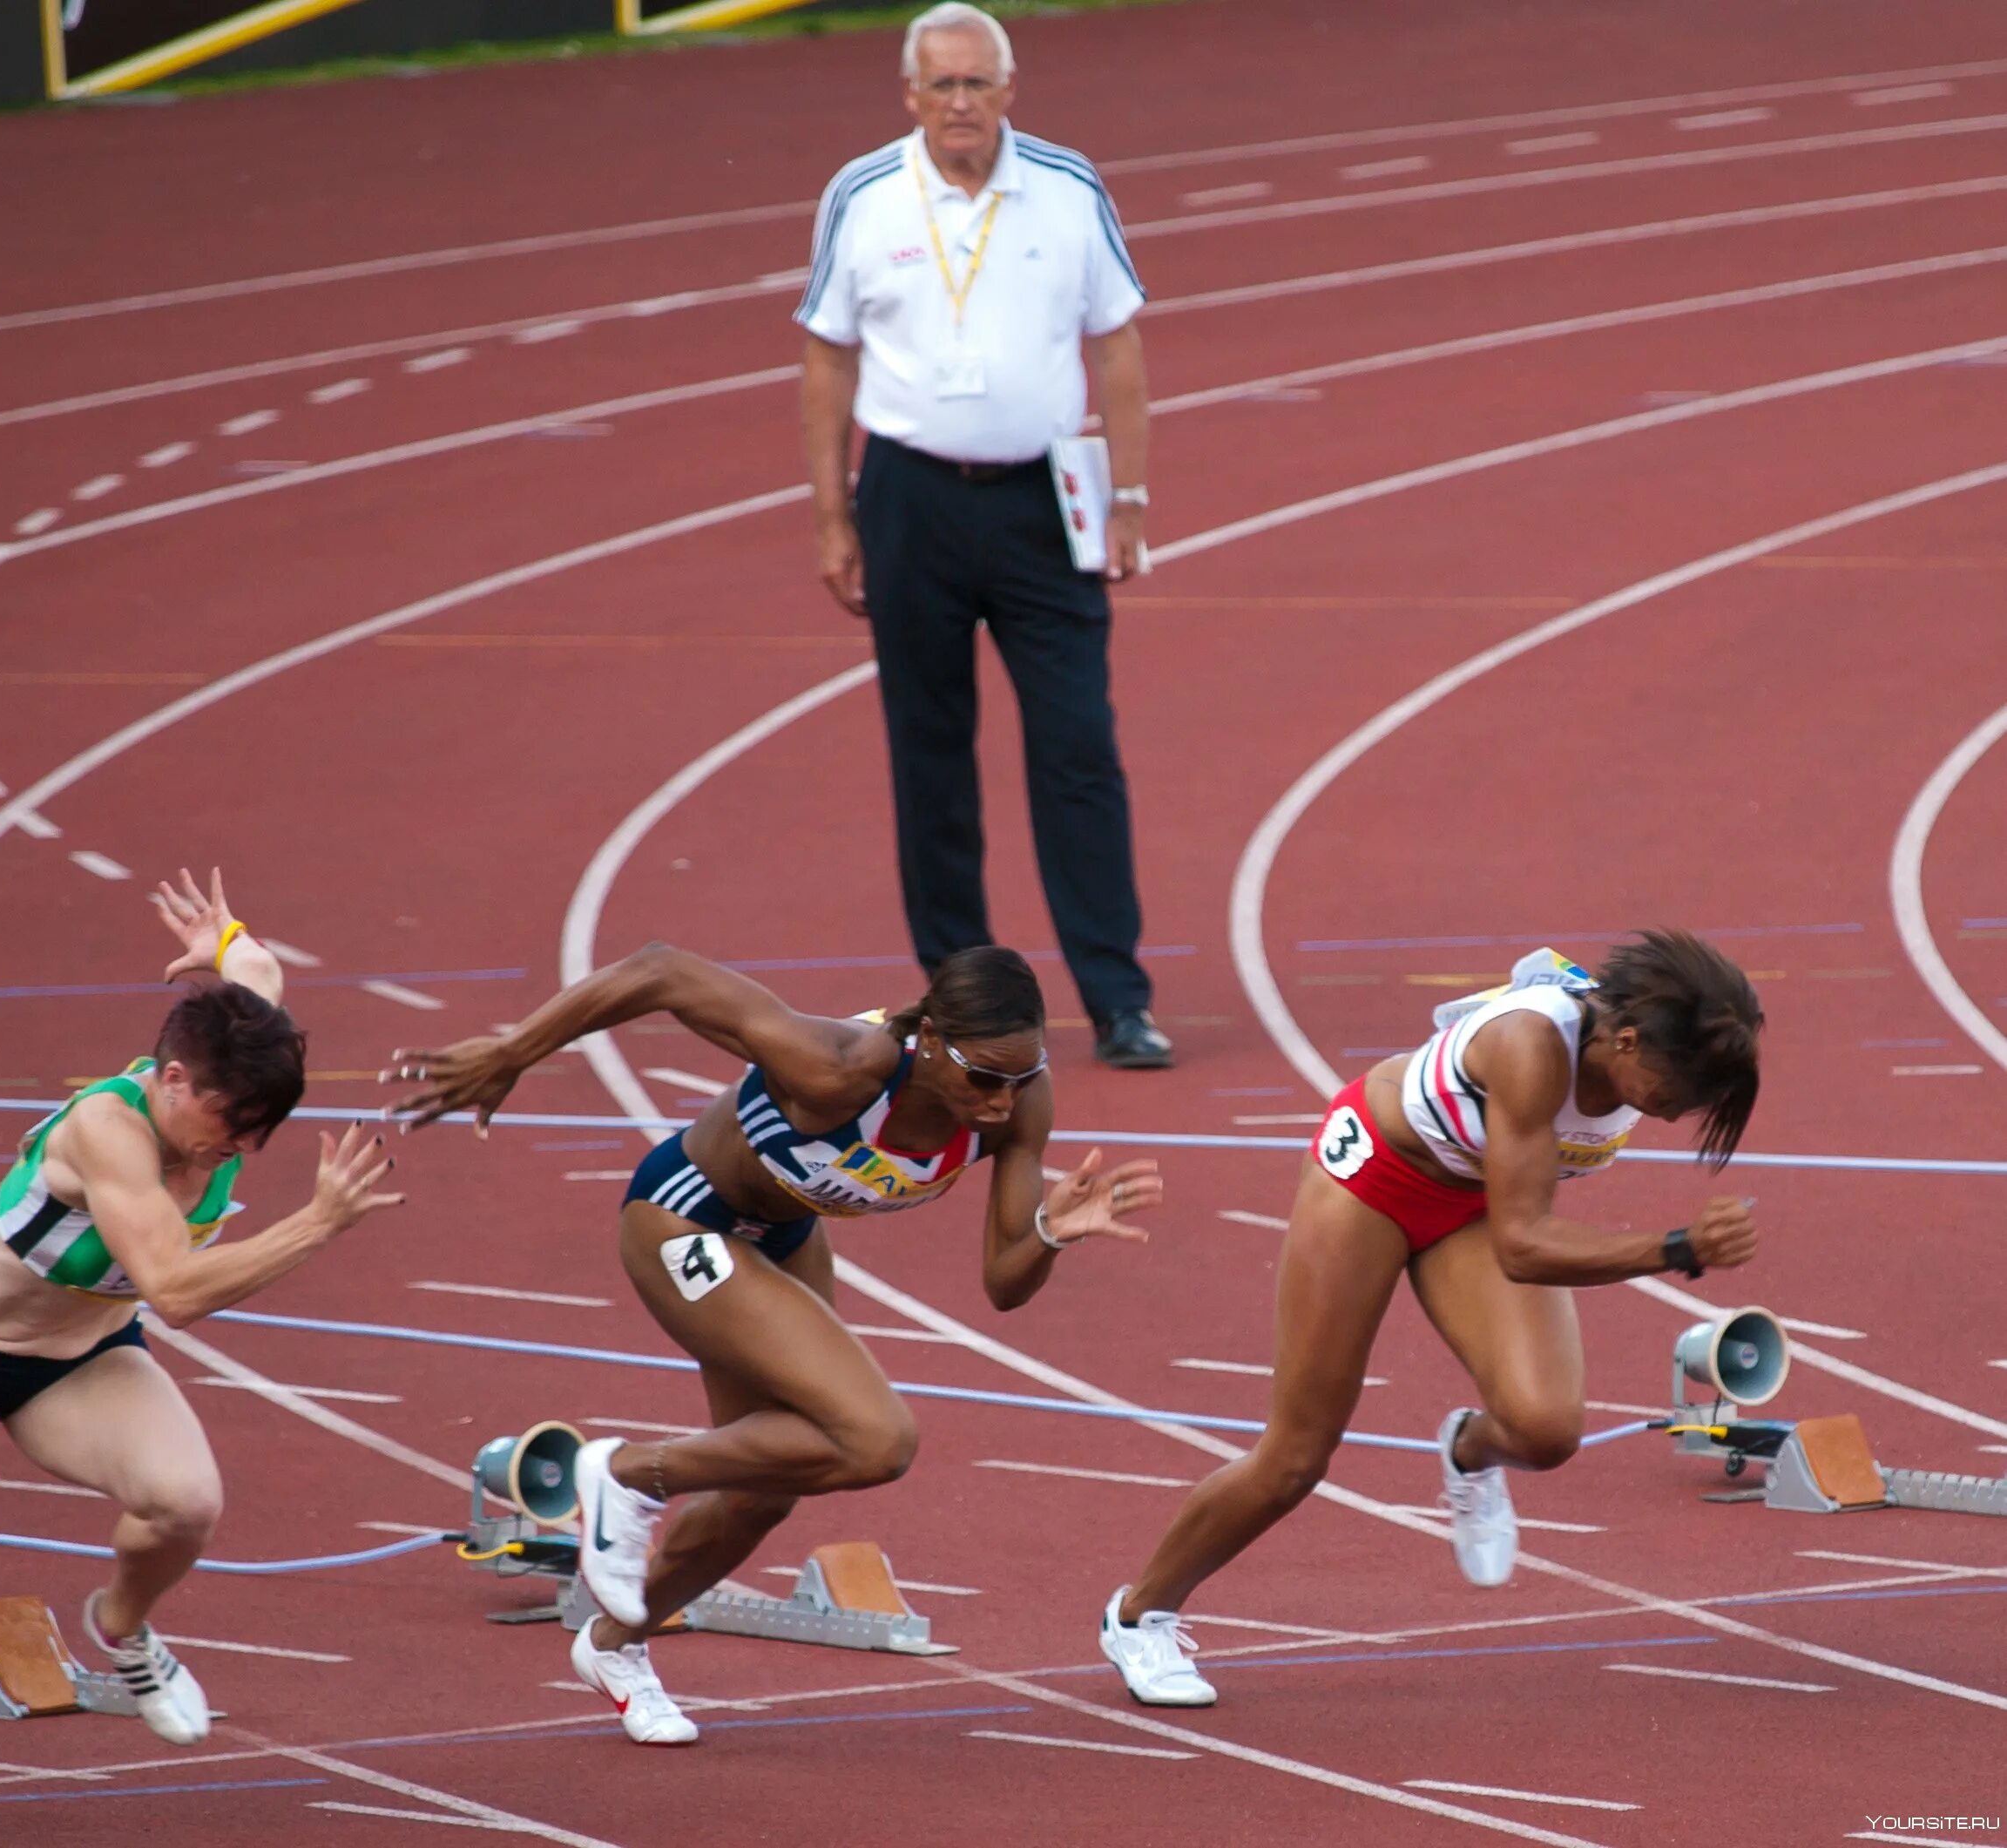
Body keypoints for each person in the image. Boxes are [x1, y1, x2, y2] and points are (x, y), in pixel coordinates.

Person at [0, 871, 401, 1839]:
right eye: (232, 1127)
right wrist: (318, 1222)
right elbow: (177, 1292)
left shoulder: (235, 1060)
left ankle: (124, 1626)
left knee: (186, 1504)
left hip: (80, 1356)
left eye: (261, 1132)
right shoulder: (109, 1130)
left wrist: (224, 939)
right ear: (174, 1080)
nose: (243, 1149)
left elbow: (256, 968)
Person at [385, 942, 1160, 1744]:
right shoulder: (840, 1064)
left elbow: (1005, 1283)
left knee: (765, 1487)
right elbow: (660, 970)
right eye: (983, 1077)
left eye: (1020, 1077)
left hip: (782, 1237)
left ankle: (615, 1644)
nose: (1000, 1101)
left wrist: (1049, 1231)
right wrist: (514, 1053)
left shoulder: (1020, 1104)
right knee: (877, 1436)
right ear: (929, 1038)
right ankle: (623, 1472)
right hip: (686, 1218)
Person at [1098, 933, 1763, 1707]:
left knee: (1547, 1430)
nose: (1676, 1112)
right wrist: (1677, 1246)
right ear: (1624, 1038)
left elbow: (1517, 1218)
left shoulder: (1631, 1044)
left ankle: (1468, 1448)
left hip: (1473, 1203)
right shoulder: (1531, 1048)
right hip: (1374, 1182)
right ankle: (1139, 1614)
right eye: (1675, 1092)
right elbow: (1523, 1246)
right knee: (1294, 1459)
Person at [796, 2, 1172, 1071]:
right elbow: (826, 360)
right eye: (942, 86)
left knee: (1077, 748)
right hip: (908, 496)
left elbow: (1120, 343)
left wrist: (1131, 499)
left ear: (1010, 91)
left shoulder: (1065, 185)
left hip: (1041, 503)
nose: (961, 104)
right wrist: (833, 516)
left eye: (978, 84)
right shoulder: (863, 197)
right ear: (909, 96)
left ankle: (1116, 998)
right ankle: (962, 1000)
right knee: (929, 754)